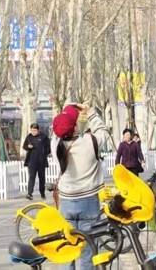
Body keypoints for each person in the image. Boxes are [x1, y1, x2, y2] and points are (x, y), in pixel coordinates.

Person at [53, 103, 112, 270]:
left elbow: (58, 128)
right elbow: (103, 131)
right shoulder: (90, 142)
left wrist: (66, 111)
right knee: (88, 249)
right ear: (75, 128)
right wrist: (90, 112)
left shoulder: (56, 146)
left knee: (67, 249)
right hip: (89, 201)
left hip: (66, 202)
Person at [22, 121, 50, 199]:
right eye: (32, 130)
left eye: (35, 130)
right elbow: (24, 146)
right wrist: (28, 147)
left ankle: (42, 193)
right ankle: (29, 194)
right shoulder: (29, 137)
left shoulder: (44, 137)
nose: (33, 132)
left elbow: (49, 147)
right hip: (31, 162)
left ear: (38, 130)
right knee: (31, 177)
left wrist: (44, 153)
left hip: (41, 162)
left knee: (42, 178)